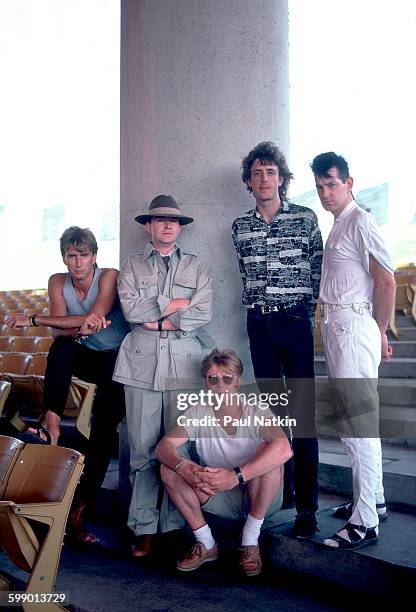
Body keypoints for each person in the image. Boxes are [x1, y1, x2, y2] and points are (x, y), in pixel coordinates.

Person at [7, 226, 130, 544]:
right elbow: (62, 334)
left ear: (94, 257)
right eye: (72, 256)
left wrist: (36, 319)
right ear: (64, 257)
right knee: (61, 348)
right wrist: (76, 326)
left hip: (116, 360)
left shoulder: (108, 276)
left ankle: (80, 511)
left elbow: (95, 314)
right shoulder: (57, 281)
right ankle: (52, 420)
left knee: (103, 432)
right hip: (84, 352)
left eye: (84, 255)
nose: (78, 263)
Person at [113, 194, 213, 558]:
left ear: (179, 228)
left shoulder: (198, 266)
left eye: (174, 221)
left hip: (185, 364)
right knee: (141, 450)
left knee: (180, 449)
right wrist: (177, 306)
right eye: (160, 220)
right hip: (141, 363)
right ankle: (143, 529)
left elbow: (204, 313)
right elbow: (132, 312)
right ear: (148, 226)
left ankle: (173, 527)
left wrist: (158, 312)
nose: (168, 225)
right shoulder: (132, 265)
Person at [232, 141, 322, 539]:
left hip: (295, 322)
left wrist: (305, 312)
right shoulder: (240, 227)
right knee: (271, 415)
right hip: (259, 325)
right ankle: (279, 490)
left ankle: (307, 509)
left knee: (302, 416)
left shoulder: (304, 219)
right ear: (249, 182)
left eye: (270, 172)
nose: (263, 178)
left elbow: (318, 271)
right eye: (256, 173)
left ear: (282, 179)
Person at [311, 152, 395, 549]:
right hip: (337, 325)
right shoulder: (339, 224)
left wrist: (376, 331)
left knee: (359, 425)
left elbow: (387, 281)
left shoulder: (361, 221)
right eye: (320, 186)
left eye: (332, 184)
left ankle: (364, 523)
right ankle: (372, 501)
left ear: (349, 183)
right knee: (349, 421)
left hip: (354, 325)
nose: (326, 193)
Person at [155, 349, 292, 576]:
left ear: (238, 382)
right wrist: (183, 466)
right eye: (214, 379)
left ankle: (249, 540)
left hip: (259, 495)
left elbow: (284, 449)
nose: (221, 385)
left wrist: (235, 476)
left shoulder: (255, 409)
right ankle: (207, 543)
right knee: (169, 469)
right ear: (206, 382)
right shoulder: (198, 410)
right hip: (218, 494)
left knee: (270, 451)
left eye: (228, 378)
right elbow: (163, 447)